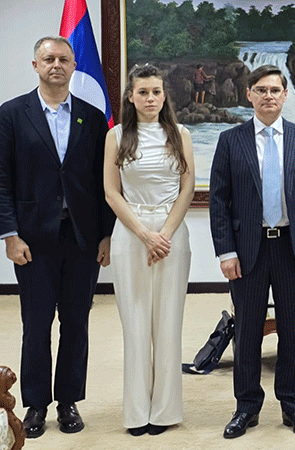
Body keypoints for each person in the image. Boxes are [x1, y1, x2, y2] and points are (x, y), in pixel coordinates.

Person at [0, 36, 114, 438]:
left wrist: (106, 235)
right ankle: (35, 404)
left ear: (73, 66)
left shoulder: (93, 118)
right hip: (32, 241)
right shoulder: (11, 114)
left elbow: (104, 184)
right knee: (36, 324)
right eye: (48, 59)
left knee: (76, 323)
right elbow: (2, 179)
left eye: (64, 59)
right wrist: (10, 235)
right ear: (35, 65)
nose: (56, 65)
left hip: (83, 239)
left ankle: (68, 401)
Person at [209, 64, 295, 439]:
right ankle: (246, 407)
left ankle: (293, 405)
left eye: (275, 90)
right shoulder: (231, 140)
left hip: (294, 248)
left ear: (285, 95)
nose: (268, 96)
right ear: (249, 95)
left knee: (293, 332)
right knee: (247, 333)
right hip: (249, 250)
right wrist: (226, 252)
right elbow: (219, 201)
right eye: (260, 90)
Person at [103, 64, 194, 436]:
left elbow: (187, 188)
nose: (150, 98)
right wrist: (144, 234)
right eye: (143, 92)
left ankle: (165, 411)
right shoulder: (116, 136)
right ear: (131, 96)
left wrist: (164, 235)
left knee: (168, 324)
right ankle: (137, 412)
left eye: (156, 91)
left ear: (164, 95)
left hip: (172, 235)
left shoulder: (181, 134)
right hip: (131, 233)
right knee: (136, 325)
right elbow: (111, 192)